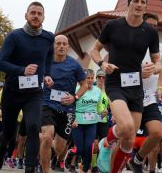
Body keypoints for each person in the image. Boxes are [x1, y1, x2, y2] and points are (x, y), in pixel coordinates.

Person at [89, 0, 162, 173]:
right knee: (126, 126)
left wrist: (155, 68)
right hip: (115, 84)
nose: (139, 5)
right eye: (135, 1)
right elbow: (94, 50)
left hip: (136, 86)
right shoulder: (113, 26)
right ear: (128, 3)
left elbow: (158, 62)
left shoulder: (150, 32)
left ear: (145, 7)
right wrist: (102, 65)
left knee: (129, 140)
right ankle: (106, 143)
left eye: (142, 2)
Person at [0, 1, 54, 173]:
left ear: (43, 17)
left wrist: (48, 74)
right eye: (33, 12)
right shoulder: (15, 36)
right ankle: (1, 150)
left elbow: (49, 57)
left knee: (34, 127)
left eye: (39, 13)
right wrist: (22, 70)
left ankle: (30, 168)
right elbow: (0, 63)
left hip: (34, 93)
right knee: (9, 134)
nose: (36, 16)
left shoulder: (49, 37)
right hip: (12, 92)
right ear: (26, 15)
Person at [39, 34, 87, 173]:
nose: (60, 46)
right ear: (53, 46)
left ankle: (47, 150)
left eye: (64, 44)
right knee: (48, 136)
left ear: (68, 47)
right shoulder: (45, 62)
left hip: (67, 108)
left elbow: (84, 84)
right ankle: (45, 170)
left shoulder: (75, 64)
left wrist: (75, 97)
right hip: (47, 103)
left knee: (60, 148)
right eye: (58, 43)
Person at [128, 12, 162, 173]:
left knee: (157, 133)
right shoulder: (129, 42)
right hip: (130, 95)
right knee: (127, 139)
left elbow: (160, 68)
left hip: (149, 97)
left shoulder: (161, 47)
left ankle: (137, 160)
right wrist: (138, 74)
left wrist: (160, 87)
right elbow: (120, 70)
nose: (153, 29)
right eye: (150, 25)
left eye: (156, 26)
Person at [72, 69, 102, 173]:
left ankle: (85, 169)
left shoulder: (98, 91)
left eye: (91, 78)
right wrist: (73, 119)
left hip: (92, 123)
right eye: (87, 78)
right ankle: (69, 158)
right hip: (78, 122)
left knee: (89, 146)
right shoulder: (77, 89)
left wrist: (102, 113)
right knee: (79, 147)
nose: (89, 80)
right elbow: (72, 105)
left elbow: (98, 107)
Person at [91, 69, 109, 173]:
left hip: (104, 121)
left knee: (104, 145)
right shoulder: (93, 89)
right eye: (99, 77)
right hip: (94, 120)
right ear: (96, 78)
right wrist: (98, 113)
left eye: (103, 77)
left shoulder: (107, 91)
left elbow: (109, 104)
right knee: (95, 144)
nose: (101, 79)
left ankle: (100, 165)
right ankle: (93, 166)